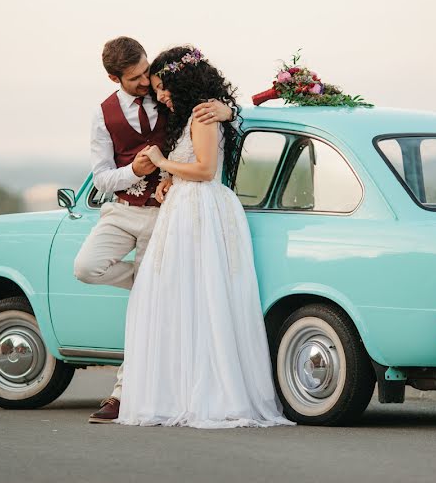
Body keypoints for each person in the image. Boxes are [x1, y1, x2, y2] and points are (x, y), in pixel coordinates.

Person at [114, 46, 294, 428]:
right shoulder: (189, 116)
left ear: (182, 81)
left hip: (200, 208)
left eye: (163, 87)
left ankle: (208, 391)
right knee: (182, 298)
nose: (160, 95)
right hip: (184, 207)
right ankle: (181, 389)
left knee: (204, 296)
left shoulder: (203, 114)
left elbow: (207, 169)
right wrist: (168, 179)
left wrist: (163, 163)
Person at [74, 36, 235, 424]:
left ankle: (122, 393)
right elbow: (101, 179)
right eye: (136, 78)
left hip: (165, 215)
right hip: (122, 211)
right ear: (115, 78)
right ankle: (161, 285)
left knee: (145, 310)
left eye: (147, 71)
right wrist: (136, 172)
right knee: (85, 267)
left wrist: (226, 110)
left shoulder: (171, 95)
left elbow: (208, 123)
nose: (146, 82)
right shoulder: (103, 115)